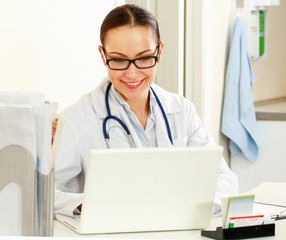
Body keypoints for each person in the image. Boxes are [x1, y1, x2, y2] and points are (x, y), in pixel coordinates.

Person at [54, 4, 238, 217]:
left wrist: (190, 204)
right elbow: (47, 193)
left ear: (159, 51)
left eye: (143, 58)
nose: (132, 74)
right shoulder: (78, 118)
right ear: (103, 56)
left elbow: (223, 178)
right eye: (119, 60)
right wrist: (92, 204)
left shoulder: (181, 111)